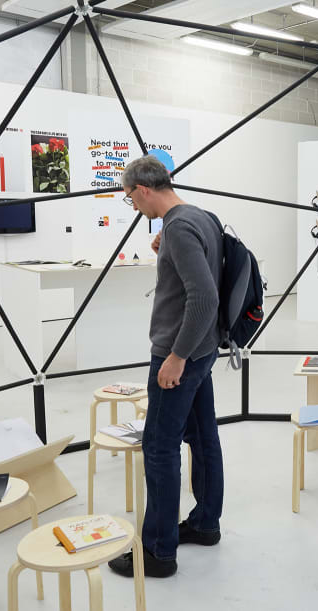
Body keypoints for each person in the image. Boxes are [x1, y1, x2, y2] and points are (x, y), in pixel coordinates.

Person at [108, 155, 224, 579]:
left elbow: (205, 297)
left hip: (181, 354)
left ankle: (158, 552)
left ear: (142, 190)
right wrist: (166, 249)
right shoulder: (200, 217)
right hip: (204, 350)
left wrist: (176, 357)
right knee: (203, 438)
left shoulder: (178, 227)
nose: (133, 207)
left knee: (158, 448)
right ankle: (205, 524)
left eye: (130, 199)